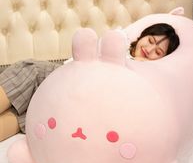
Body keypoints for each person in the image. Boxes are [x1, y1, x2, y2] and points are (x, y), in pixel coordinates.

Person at [0, 23, 179, 141]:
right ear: (140, 37)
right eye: (150, 41)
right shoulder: (118, 43)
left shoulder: (143, 75)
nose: (149, 49)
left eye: (158, 52)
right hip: (68, 78)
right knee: (27, 110)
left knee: (30, 69)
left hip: (82, 97)